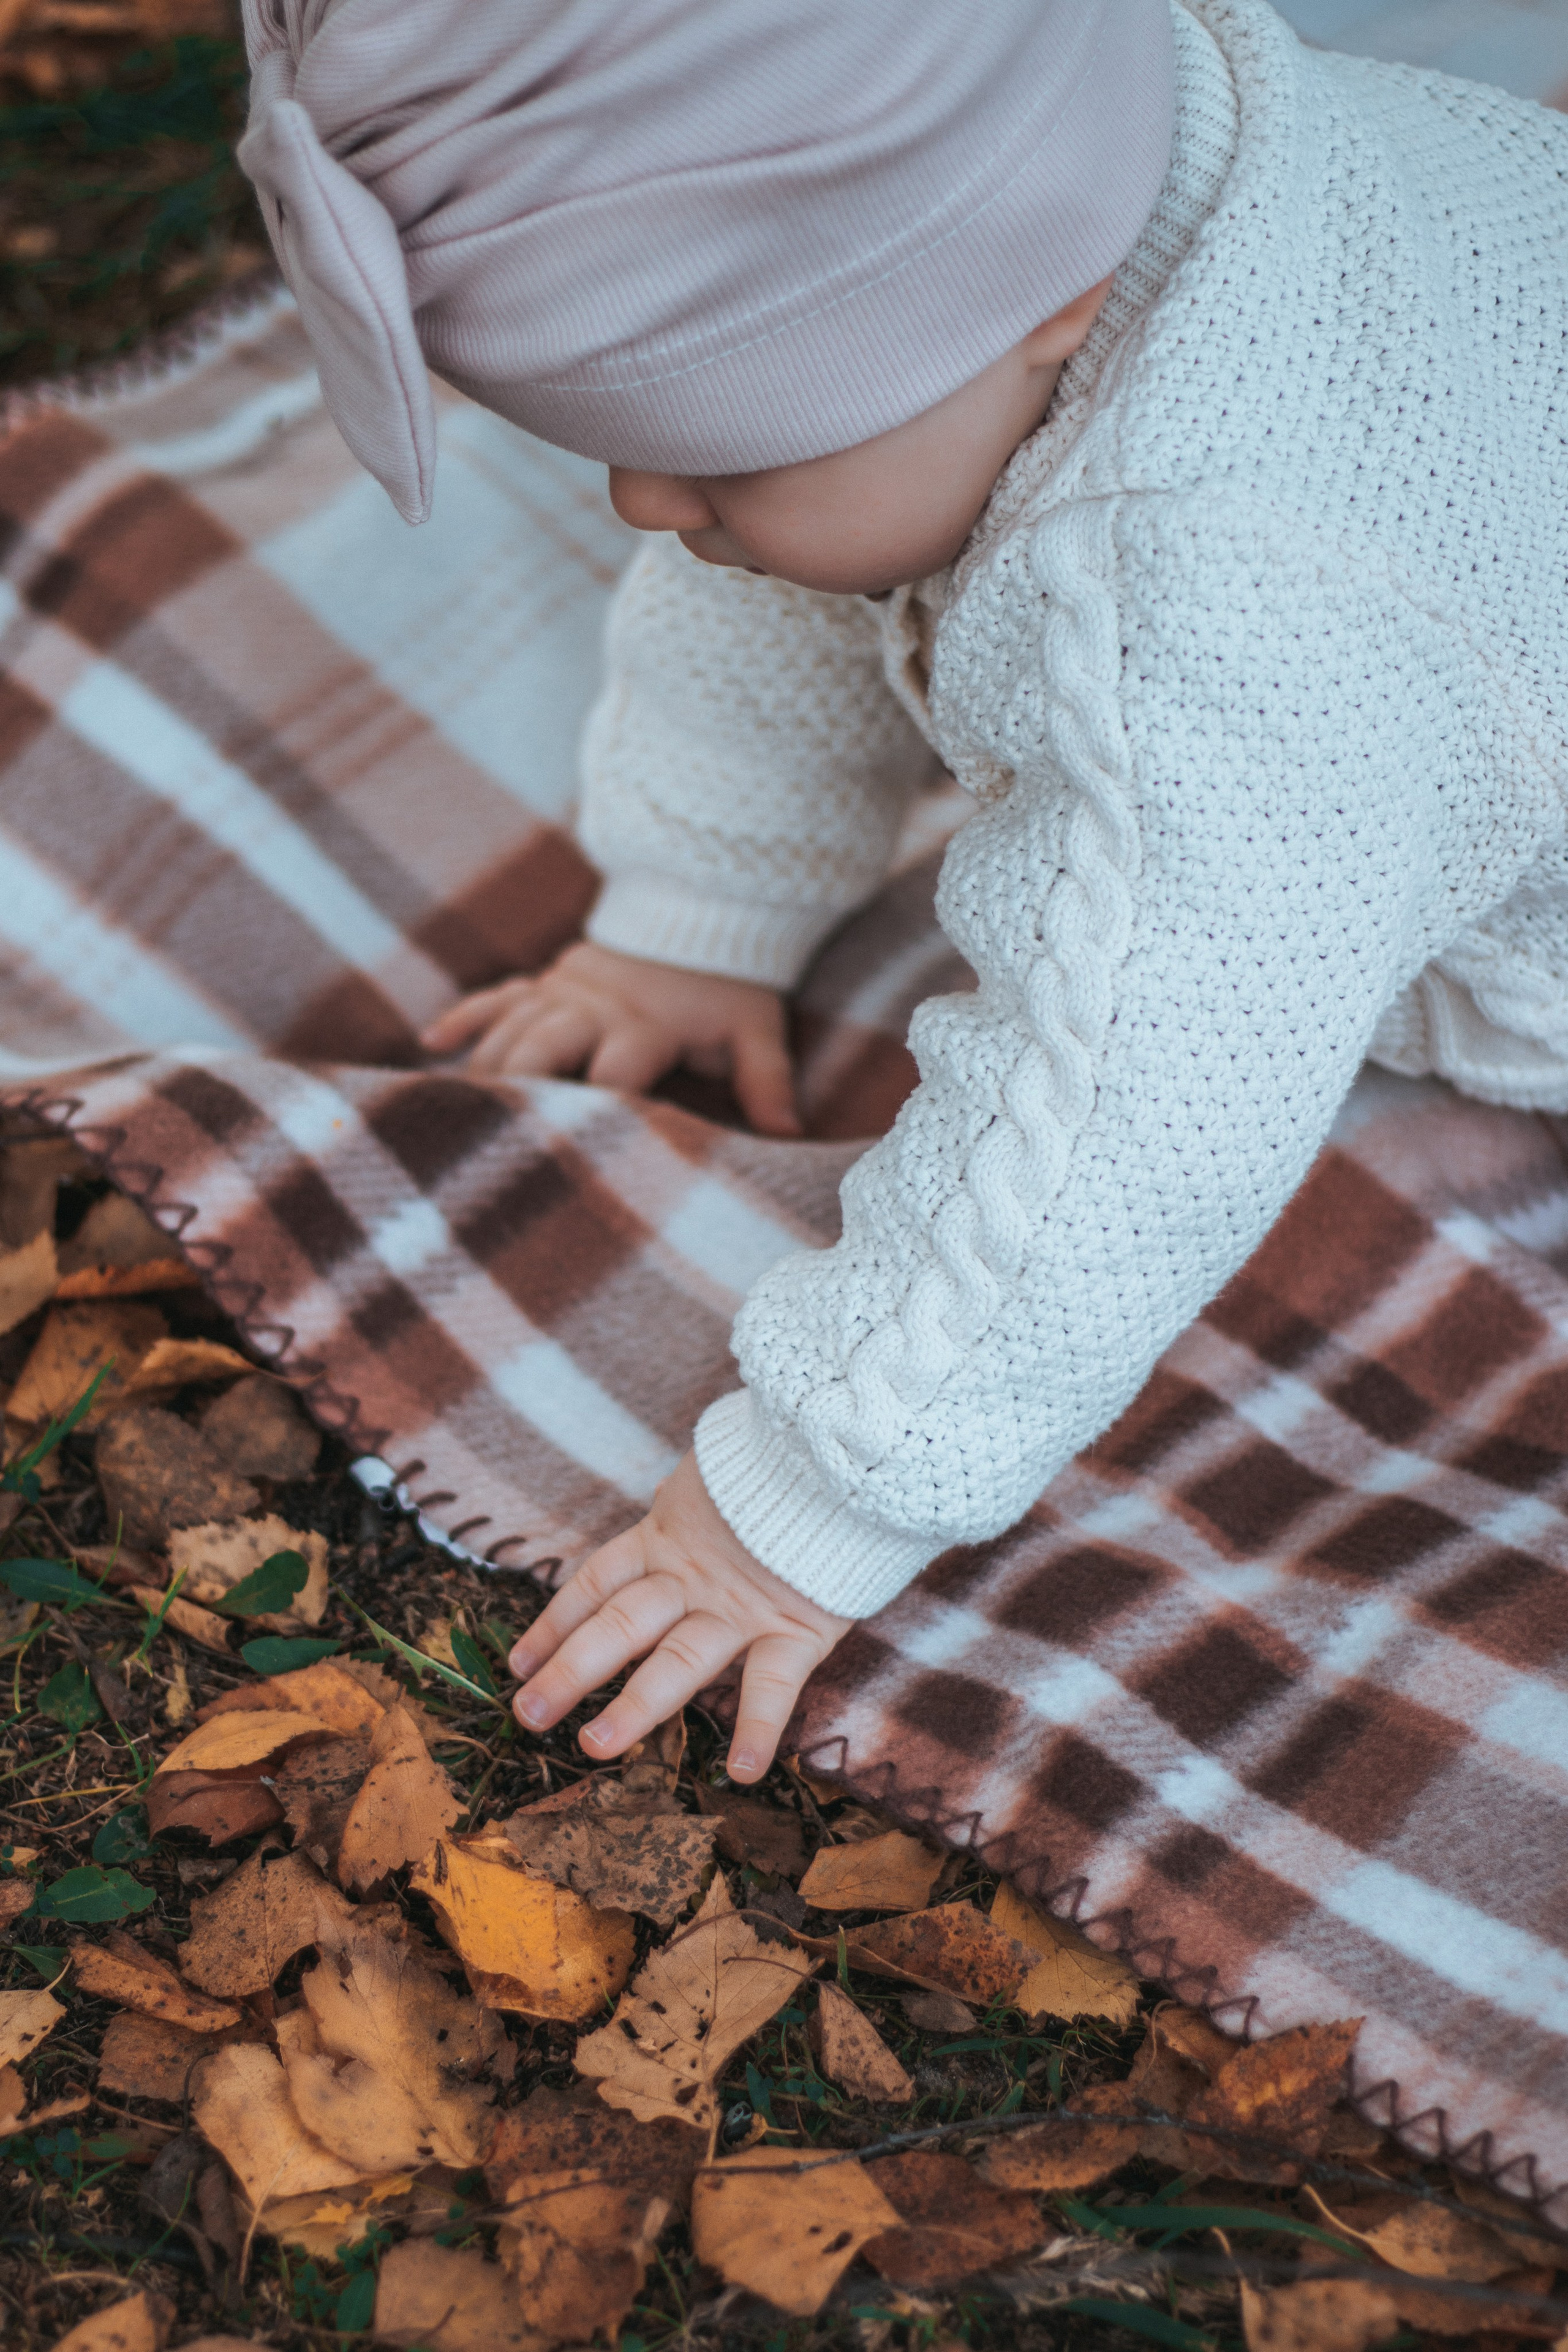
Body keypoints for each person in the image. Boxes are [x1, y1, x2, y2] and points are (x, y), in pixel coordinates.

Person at [240, 0, 1568, 1782]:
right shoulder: (1114, 124)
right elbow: (767, 571)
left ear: (1046, 307)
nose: (644, 500)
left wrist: (797, 1508)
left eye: (715, 456)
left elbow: (1119, 1107)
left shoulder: (1217, 625)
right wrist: (697, 908)